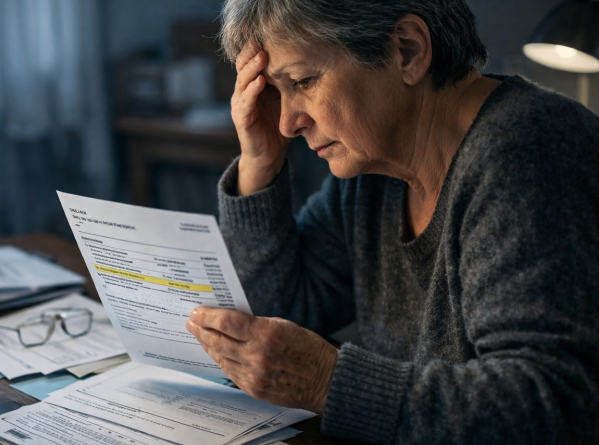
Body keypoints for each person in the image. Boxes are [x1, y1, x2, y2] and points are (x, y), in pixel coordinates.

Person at [183, 0, 599, 443]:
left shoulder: (529, 154)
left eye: (303, 81)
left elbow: (552, 406)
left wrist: (327, 382)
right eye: (275, 91)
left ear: (408, 51)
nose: (287, 123)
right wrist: (259, 163)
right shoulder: (375, 169)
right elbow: (276, 320)